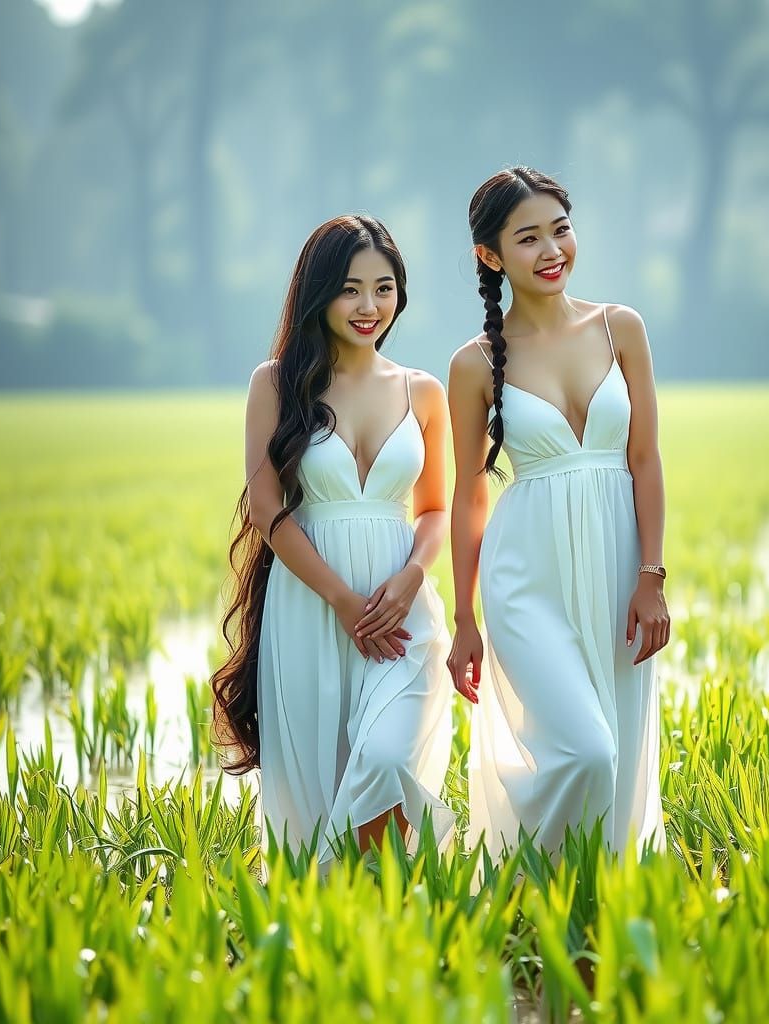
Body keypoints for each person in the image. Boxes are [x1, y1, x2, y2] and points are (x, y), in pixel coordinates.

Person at [211, 215, 453, 863]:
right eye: (350, 289)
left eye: (384, 288)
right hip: (314, 608)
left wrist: (409, 580)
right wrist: (344, 602)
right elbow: (267, 510)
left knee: (385, 757)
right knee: (319, 783)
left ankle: (372, 899)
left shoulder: (422, 391)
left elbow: (434, 510)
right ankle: (344, 922)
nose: (369, 306)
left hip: (400, 614)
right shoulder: (276, 384)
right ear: (318, 294)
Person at [446, 167, 669, 859]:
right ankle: (519, 877)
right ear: (491, 256)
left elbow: (645, 460)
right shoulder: (475, 364)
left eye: (561, 230)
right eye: (528, 238)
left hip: (618, 565)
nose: (552, 251)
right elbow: (468, 493)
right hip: (525, 576)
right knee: (586, 751)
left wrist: (653, 575)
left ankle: (588, 902)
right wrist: (463, 618)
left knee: (617, 745)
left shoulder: (620, 328)